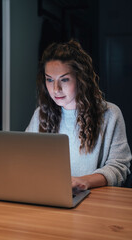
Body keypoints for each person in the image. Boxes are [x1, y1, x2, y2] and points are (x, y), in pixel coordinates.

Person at [25, 39, 131, 190]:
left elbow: (119, 167)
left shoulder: (110, 114)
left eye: (65, 79)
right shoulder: (41, 114)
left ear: (81, 79)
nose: (56, 89)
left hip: (93, 198)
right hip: (48, 193)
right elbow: (25, 158)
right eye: (49, 80)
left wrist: (84, 181)